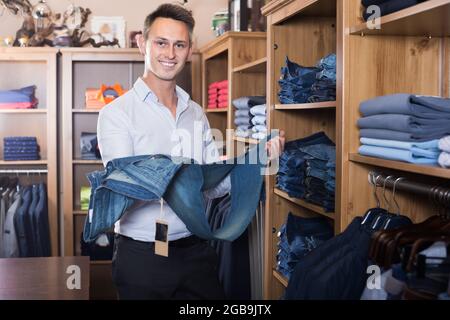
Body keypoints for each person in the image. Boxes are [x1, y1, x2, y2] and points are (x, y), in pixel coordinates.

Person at [97, 3, 284, 300]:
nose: (170, 54)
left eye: (179, 45)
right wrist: (188, 176)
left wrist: (257, 160)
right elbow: (125, 192)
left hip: (196, 252)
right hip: (142, 258)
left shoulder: (196, 113)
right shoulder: (116, 115)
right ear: (142, 43)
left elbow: (212, 189)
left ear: (189, 49)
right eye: (161, 43)